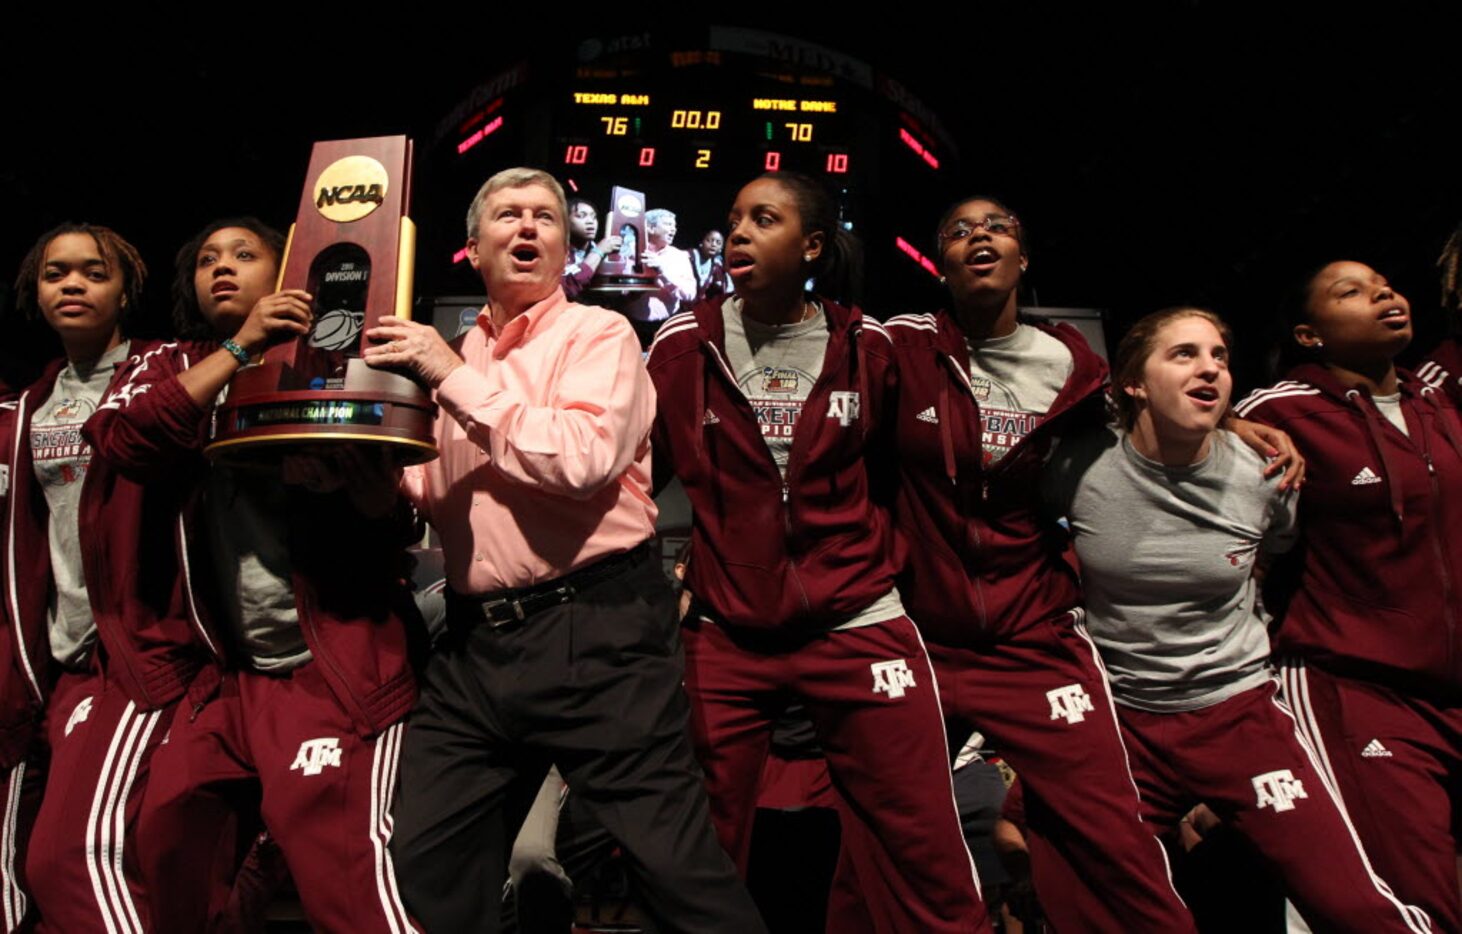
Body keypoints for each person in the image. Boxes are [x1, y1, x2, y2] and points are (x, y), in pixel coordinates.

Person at [884, 196, 1309, 933]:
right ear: (939, 262)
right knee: (904, 840)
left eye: (999, 227)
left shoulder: (1074, 367)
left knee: (1111, 837)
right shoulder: (897, 346)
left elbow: (1150, 420)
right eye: (957, 230)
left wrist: (1230, 417)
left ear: (1024, 259)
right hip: (920, 634)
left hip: (1033, 631)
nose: (978, 235)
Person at [370, 167, 762, 934]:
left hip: (597, 631)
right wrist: (356, 465)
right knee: (425, 864)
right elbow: (426, 494)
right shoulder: (449, 355)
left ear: (563, 246)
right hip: (475, 646)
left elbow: (581, 461)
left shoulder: (600, 335)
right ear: (472, 248)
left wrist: (450, 378)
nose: (529, 228)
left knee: (676, 873)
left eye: (546, 218)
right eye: (509, 216)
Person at [647, 171, 990, 933]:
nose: (737, 231)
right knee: (695, 852)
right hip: (727, 630)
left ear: (809, 246)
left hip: (859, 616)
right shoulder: (679, 344)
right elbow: (628, 480)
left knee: (921, 844)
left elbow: (934, 452)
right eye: (733, 218)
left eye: (762, 219)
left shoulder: (872, 345)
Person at [84, 216, 422, 933]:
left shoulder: (334, 359)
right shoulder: (171, 362)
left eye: (245, 254)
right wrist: (241, 349)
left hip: (328, 668)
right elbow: (124, 440)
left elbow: (391, 518)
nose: (222, 268)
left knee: (346, 885)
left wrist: (356, 486)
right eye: (207, 259)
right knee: (168, 838)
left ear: (291, 269)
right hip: (230, 676)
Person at [1047, 306, 1429, 933]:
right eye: (1185, 354)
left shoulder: (1264, 474)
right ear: (1134, 384)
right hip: (1123, 720)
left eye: (1220, 356)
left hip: (1238, 714)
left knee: (1353, 906)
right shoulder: (1077, 469)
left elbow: (1272, 558)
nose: (1210, 367)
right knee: (1083, 894)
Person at [1235, 260, 1462, 931]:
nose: (1383, 294)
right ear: (1310, 335)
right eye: (1351, 293)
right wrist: (1227, 426)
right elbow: (1175, 427)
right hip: (1357, 689)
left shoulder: (1439, 401)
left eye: (1386, 284)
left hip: (1450, 689)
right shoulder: (1280, 410)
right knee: (1409, 907)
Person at [0, 223, 170, 931]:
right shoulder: (27, 408)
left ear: (126, 289)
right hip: (60, 658)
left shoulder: (166, 370)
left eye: (93, 273)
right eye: (55, 274)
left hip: (135, 650)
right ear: (34, 294)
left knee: (74, 857)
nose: (72, 285)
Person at [624, 208, 696, 346]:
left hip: (666, 325)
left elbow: (690, 294)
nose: (673, 229)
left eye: (675, 226)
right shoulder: (628, 251)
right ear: (650, 227)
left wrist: (663, 272)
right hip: (631, 324)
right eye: (668, 224)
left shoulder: (680, 256)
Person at [561, 197, 621, 302]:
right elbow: (568, 288)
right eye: (581, 216)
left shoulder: (606, 252)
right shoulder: (557, 252)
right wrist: (599, 251)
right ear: (565, 222)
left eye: (594, 217)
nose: (590, 222)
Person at [689, 229, 733, 305]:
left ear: (720, 249)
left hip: (697, 305)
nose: (713, 244)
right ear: (701, 243)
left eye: (718, 243)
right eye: (709, 240)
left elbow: (726, 289)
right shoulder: (688, 257)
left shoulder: (717, 266)